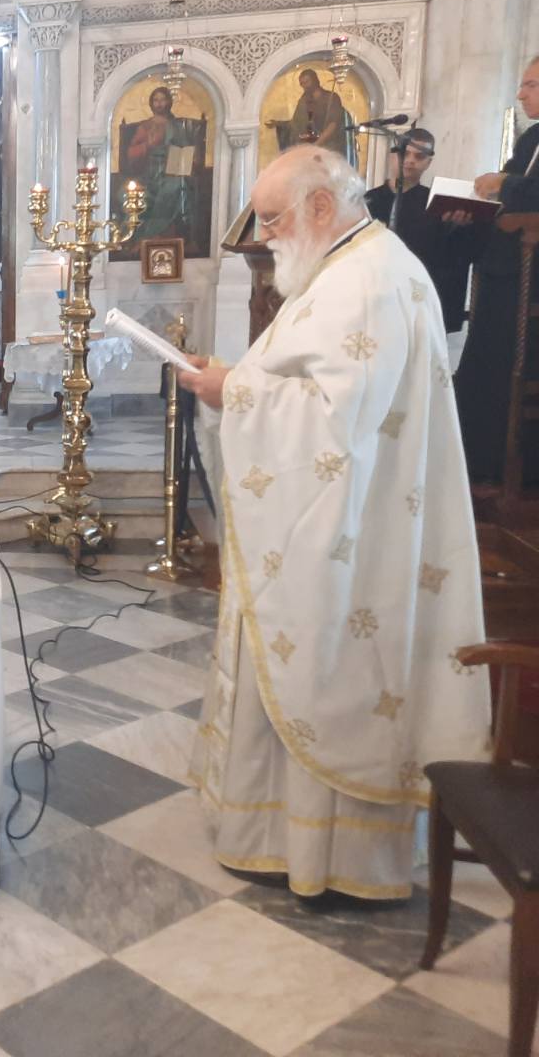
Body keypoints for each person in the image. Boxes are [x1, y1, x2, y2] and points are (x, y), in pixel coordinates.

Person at [178, 146, 490, 900]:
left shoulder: (367, 280)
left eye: (273, 219)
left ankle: (325, 858)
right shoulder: (354, 263)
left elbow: (334, 423)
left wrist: (233, 392)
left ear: (321, 206)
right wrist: (239, 380)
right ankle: (272, 835)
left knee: (332, 677)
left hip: (349, 535)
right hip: (347, 519)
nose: (266, 236)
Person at [456, 53, 539, 486]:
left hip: (531, 280)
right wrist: (475, 205)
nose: (520, 94)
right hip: (506, 272)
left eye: (531, 85)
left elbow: (521, 189)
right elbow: (508, 184)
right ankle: (478, 463)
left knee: (510, 368)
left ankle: (513, 472)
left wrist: (504, 184)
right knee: (485, 363)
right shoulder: (532, 138)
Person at [363, 127, 477, 370]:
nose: (410, 161)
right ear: (392, 154)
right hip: (373, 299)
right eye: (405, 153)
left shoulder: (437, 204)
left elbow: (452, 258)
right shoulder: (367, 201)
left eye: (419, 156)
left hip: (418, 303)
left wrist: (457, 228)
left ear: (429, 162)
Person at [124, 85, 204, 247]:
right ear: (151, 103)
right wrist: (148, 145)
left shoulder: (177, 126)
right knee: (128, 194)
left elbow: (187, 150)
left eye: (162, 100)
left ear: (169, 102)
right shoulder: (145, 127)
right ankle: (139, 238)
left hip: (172, 172)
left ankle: (157, 236)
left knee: (174, 187)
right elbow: (132, 153)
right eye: (156, 100)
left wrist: (191, 158)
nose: (159, 104)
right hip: (149, 173)